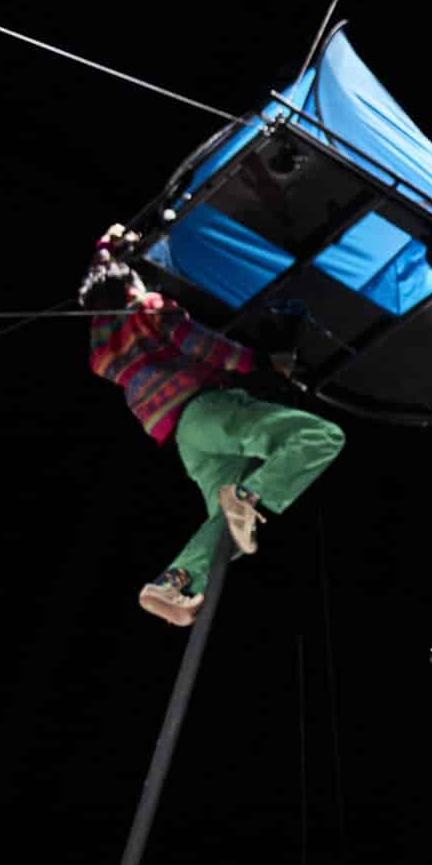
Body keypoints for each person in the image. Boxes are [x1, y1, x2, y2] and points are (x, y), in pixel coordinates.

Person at [80, 224, 346, 626]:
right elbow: (202, 344)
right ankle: (250, 496)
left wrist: (107, 249)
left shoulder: (103, 345)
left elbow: (103, 280)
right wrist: (260, 364)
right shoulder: (148, 306)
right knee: (320, 436)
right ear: (130, 282)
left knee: (226, 528)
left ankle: (174, 581)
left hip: (183, 439)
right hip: (205, 410)